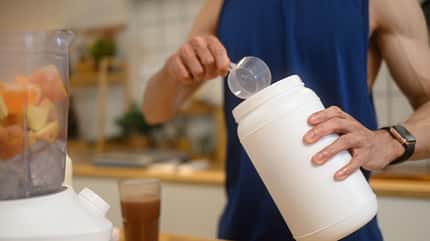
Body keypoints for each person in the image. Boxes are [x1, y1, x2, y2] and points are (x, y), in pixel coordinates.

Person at [142, 0, 430, 240]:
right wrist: (173, 70)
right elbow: (154, 111)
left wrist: (391, 141)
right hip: (244, 230)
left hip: (345, 225)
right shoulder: (221, 4)